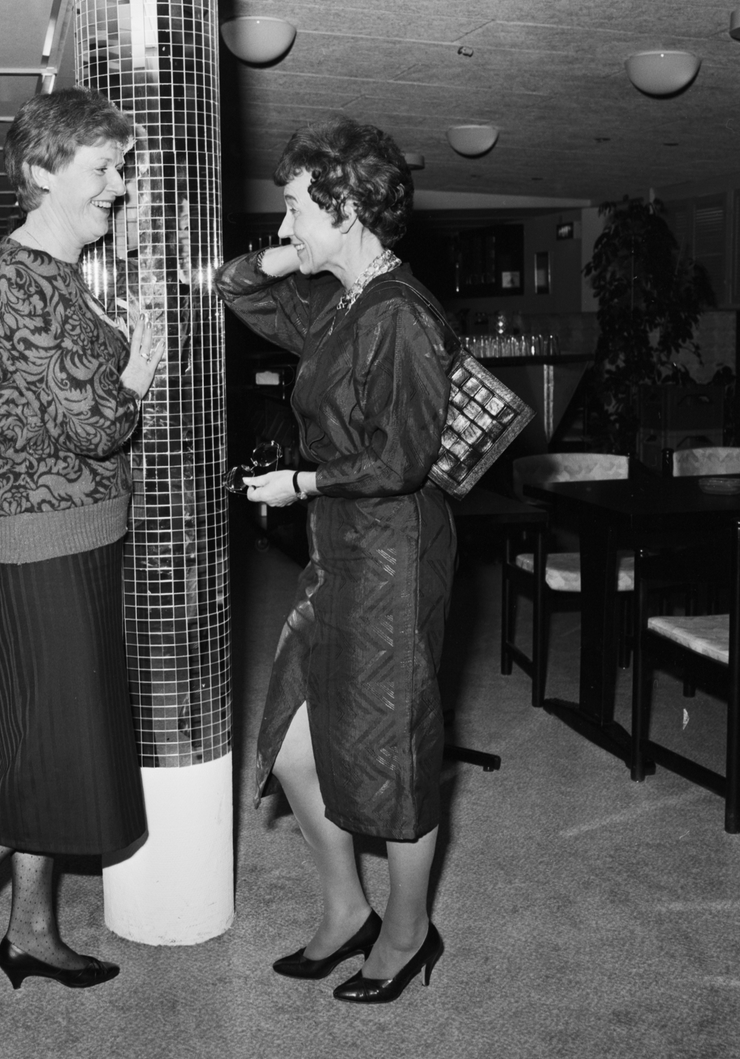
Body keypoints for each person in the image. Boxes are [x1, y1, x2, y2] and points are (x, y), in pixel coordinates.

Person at [0, 87, 162, 995]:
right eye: (104, 168)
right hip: (38, 540)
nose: (119, 185)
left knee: (54, 736)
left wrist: (120, 358)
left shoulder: (63, 275)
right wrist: (135, 375)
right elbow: (98, 424)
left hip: (83, 532)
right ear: (41, 171)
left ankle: (31, 931)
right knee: (43, 743)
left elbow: (75, 411)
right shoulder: (16, 278)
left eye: (121, 168)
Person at [215, 116, 455, 1005]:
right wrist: (297, 249)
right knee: (292, 747)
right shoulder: (342, 301)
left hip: (393, 556)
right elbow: (234, 285)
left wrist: (299, 482)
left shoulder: (401, 313)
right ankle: (348, 908)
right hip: (339, 553)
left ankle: (408, 931)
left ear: (346, 206)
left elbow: (403, 459)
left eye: (296, 209)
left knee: (391, 757)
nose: (284, 226)